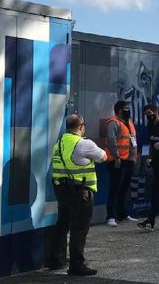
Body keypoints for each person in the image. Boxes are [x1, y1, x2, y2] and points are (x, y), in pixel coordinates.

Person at [46, 114, 106, 276]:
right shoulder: (84, 144)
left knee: (62, 224)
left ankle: (56, 260)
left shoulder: (59, 143)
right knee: (79, 229)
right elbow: (103, 157)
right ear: (81, 126)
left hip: (61, 190)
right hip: (80, 191)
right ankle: (76, 265)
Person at [105, 101, 138, 227]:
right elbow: (111, 140)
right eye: (126, 108)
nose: (128, 110)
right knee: (115, 188)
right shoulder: (113, 122)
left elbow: (133, 141)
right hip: (117, 160)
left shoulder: (129, 122)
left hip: (129, 160)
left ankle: (123, 214)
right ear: (119, 110)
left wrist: (134, 157)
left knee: (125, 188)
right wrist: (116, 157)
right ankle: (111, 216)